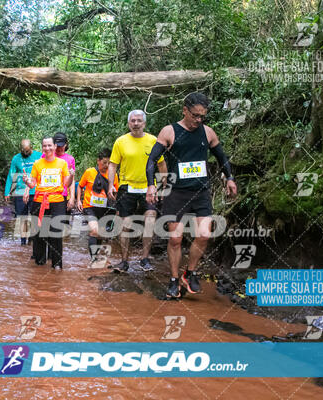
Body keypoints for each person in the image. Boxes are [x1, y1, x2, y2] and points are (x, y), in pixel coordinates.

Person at [146, 92, 237, 299]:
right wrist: (151, 186)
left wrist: (230, 177)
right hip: (176, 193)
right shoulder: (169, 131)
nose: (198, 120)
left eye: (202, 116)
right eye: (195, 115)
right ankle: (174, 279)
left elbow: (222, 157)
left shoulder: (208, 133)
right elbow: (152, 161)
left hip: (200, 192)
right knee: (176, 239)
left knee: (204, 235)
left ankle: (191, 272)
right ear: (185, 110)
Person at [107, 110, 167, 272]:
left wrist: (163, 184)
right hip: (127, 186)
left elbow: (161, 164)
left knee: (150, 222)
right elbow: (113, 164)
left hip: (148, 187)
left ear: (144, 123)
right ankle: (124, 261)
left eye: (139, 121)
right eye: (132, 121)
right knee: (125, 225)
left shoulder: (154, 140)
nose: (135, 123)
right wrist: (111, 184)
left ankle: (145, 259)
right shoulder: (121, 141)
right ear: (128, 123)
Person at [24, 137, 72, 269]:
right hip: (39, 201)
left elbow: (66, 184)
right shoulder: (37, 164)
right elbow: (33, 183)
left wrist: (72, 176)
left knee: (56, 232)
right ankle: (40, 263)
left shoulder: (62, 163)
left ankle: (56, 264)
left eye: (50, 145)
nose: (47, 148)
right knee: (40, 233)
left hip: (57, 201)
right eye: (44, 146)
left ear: (55, 146)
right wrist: (27, 182)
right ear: (42, 148)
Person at [77, 148, 119, 267]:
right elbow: (80, 186)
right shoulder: (89, 172)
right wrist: (78, 201)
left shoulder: (113, 175)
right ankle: (94, 259)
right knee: (94, 230)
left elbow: (116, 193)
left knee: (100, 233)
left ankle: (98, 257)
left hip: (105, 208)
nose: (106, 165)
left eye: (109, 163)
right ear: (98, 161)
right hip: (89, 206)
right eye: (104, 162)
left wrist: (116, 205)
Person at [5, 139, 42, 245]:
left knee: (35, 218)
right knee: (22, 218)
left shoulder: (39, 156)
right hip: (20, 192)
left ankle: (33, 239)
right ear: (20, 148)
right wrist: (7, 191)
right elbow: (11, 175)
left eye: (27, 151)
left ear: (31, 147)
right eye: (23, 151)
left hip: (36, 191)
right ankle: (23, 243)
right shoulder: (16, 158)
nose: (25, 153)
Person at [43, 132, 76, 211]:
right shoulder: (45, 156)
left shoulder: (70, 159)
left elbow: (72, 180)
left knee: (61, 221)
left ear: (66, 145)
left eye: (61, 145)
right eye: (57, 145)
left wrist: (72, 197)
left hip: (63, 196)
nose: (59, 148)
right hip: (47, 195)